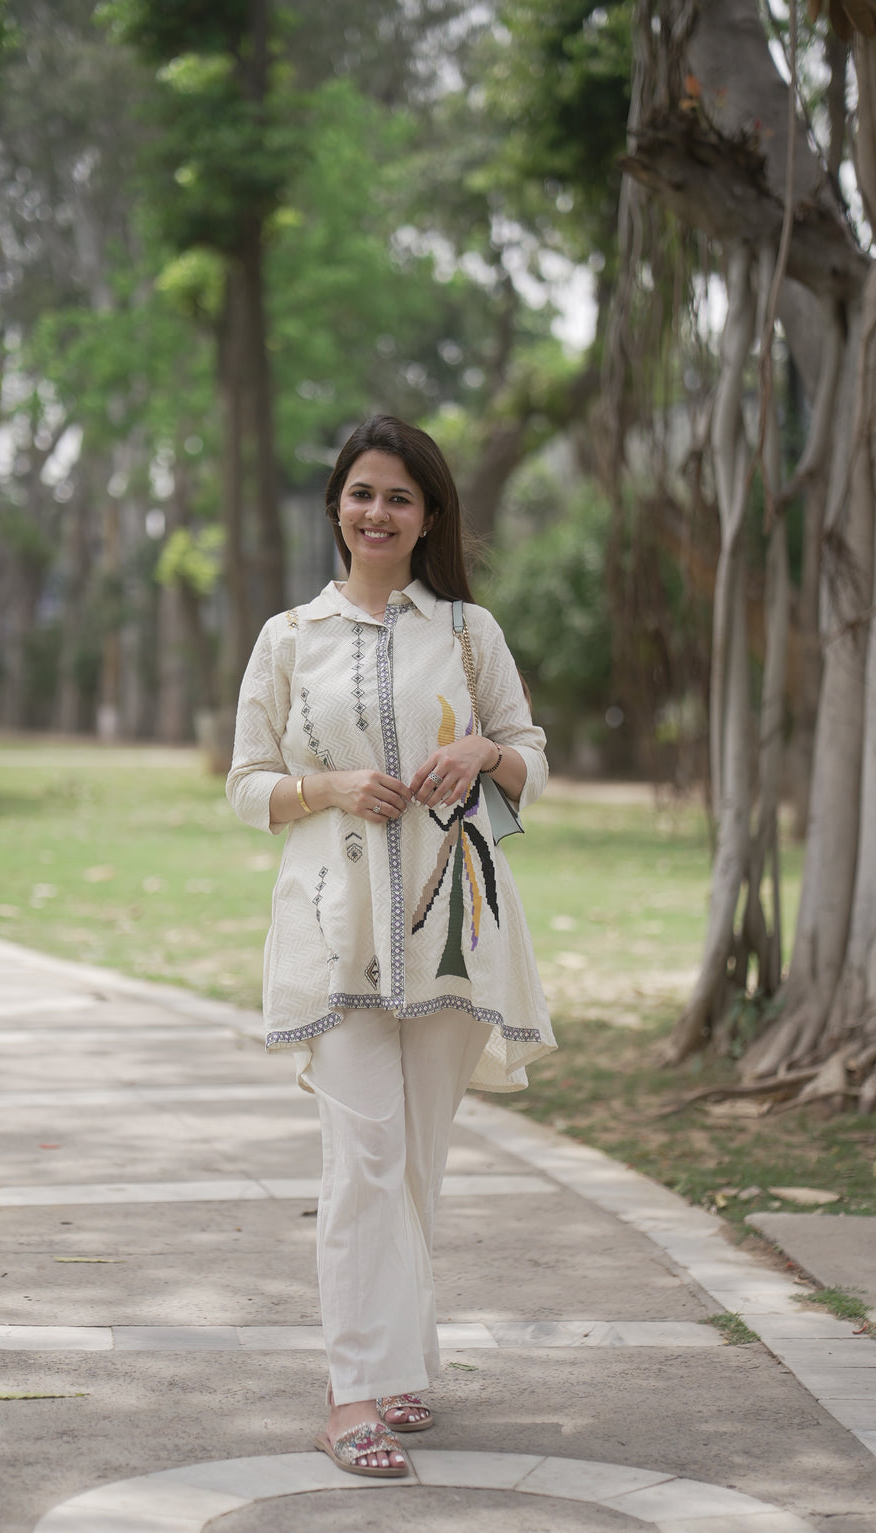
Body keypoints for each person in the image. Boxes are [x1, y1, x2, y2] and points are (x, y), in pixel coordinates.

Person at [226, 415, 555, 1478]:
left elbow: (532, 756)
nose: (377, 512)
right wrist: (325, 786)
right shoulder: (289, 638)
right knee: (362, 1157)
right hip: (336, 929)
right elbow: (245, 785)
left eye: (399, 497)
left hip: (453, 925)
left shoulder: (467, 632)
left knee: (414, 1161)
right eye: (362, 492)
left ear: (428, 517)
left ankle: (399, 1358)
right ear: (337, 506)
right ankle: (352, 1395)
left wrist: (483, 751)